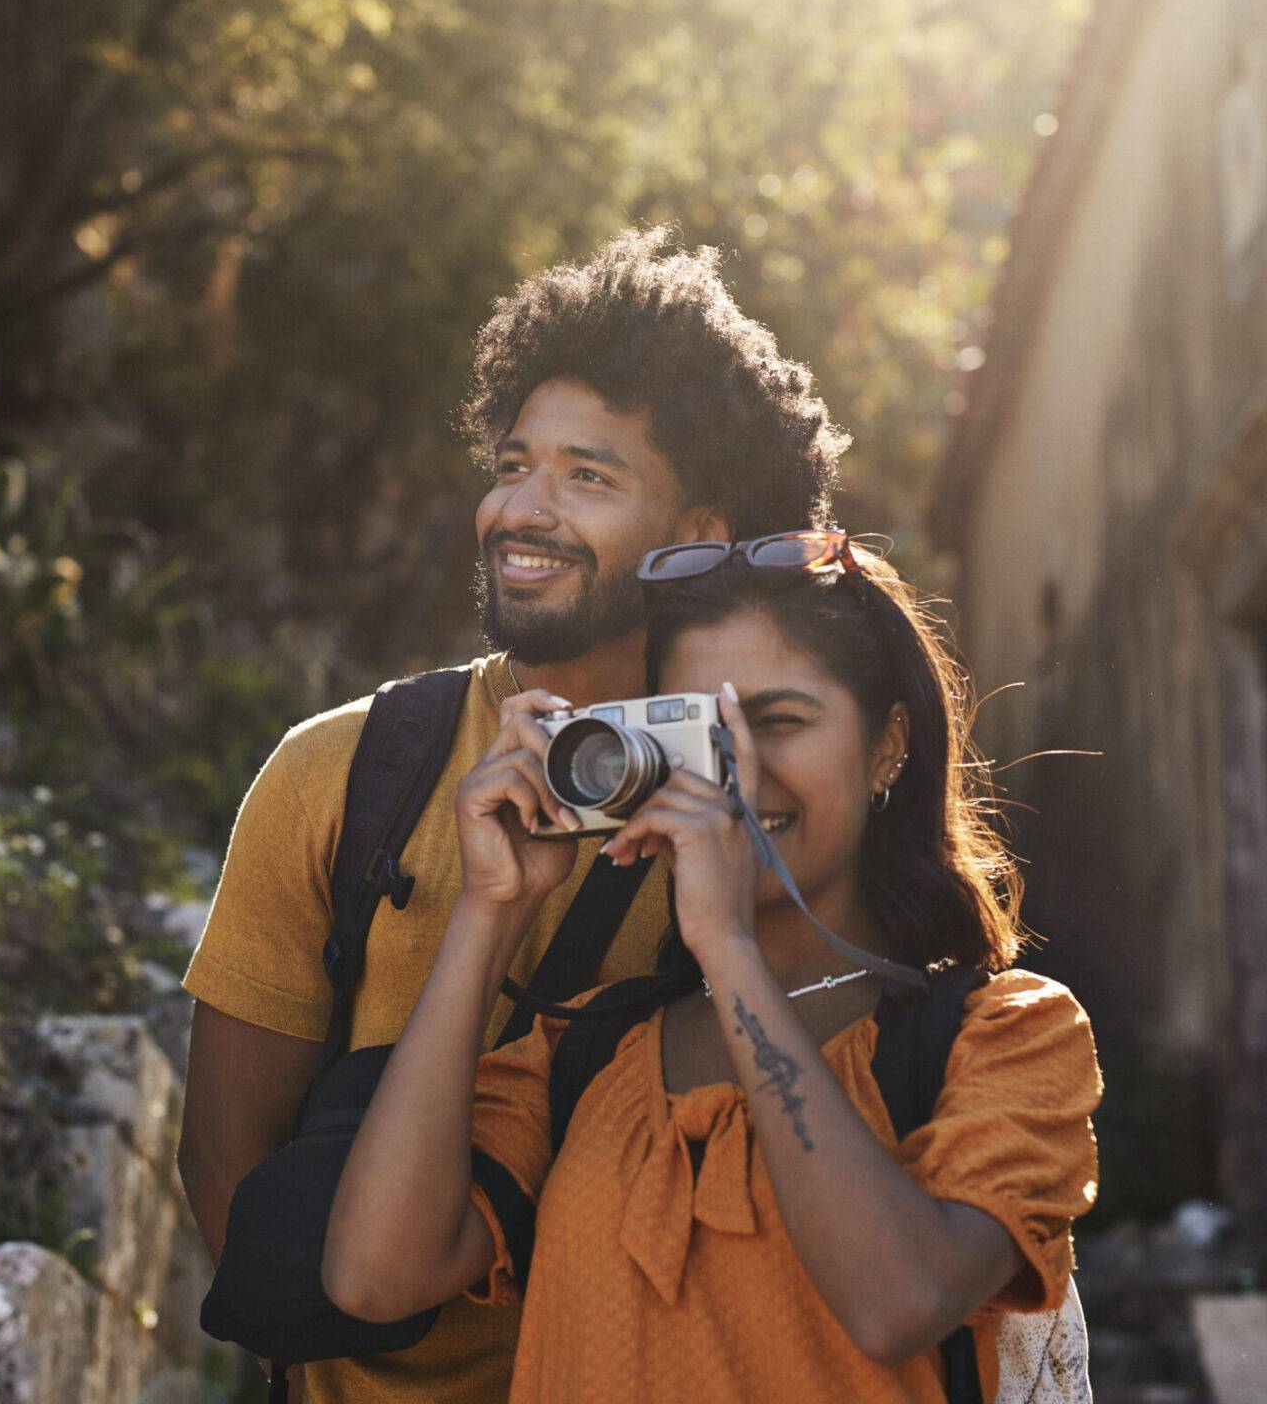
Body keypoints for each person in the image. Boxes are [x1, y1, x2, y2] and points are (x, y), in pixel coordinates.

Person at [177, 228, 848, 1404]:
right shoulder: (338, 774)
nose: (521, 510)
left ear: (699, 536)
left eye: (589, 476)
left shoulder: (775, 802)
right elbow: (226, 1158)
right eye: (510, 464)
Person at [322, 531, 1102, 1402]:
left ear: (888, 745)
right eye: (702, 736)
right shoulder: (586, 1053)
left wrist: (727, 948)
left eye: (777, 723)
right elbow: (374, 1276)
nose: (735, 777)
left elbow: (898, 1304)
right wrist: (490, 908)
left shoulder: (1006, 1035)